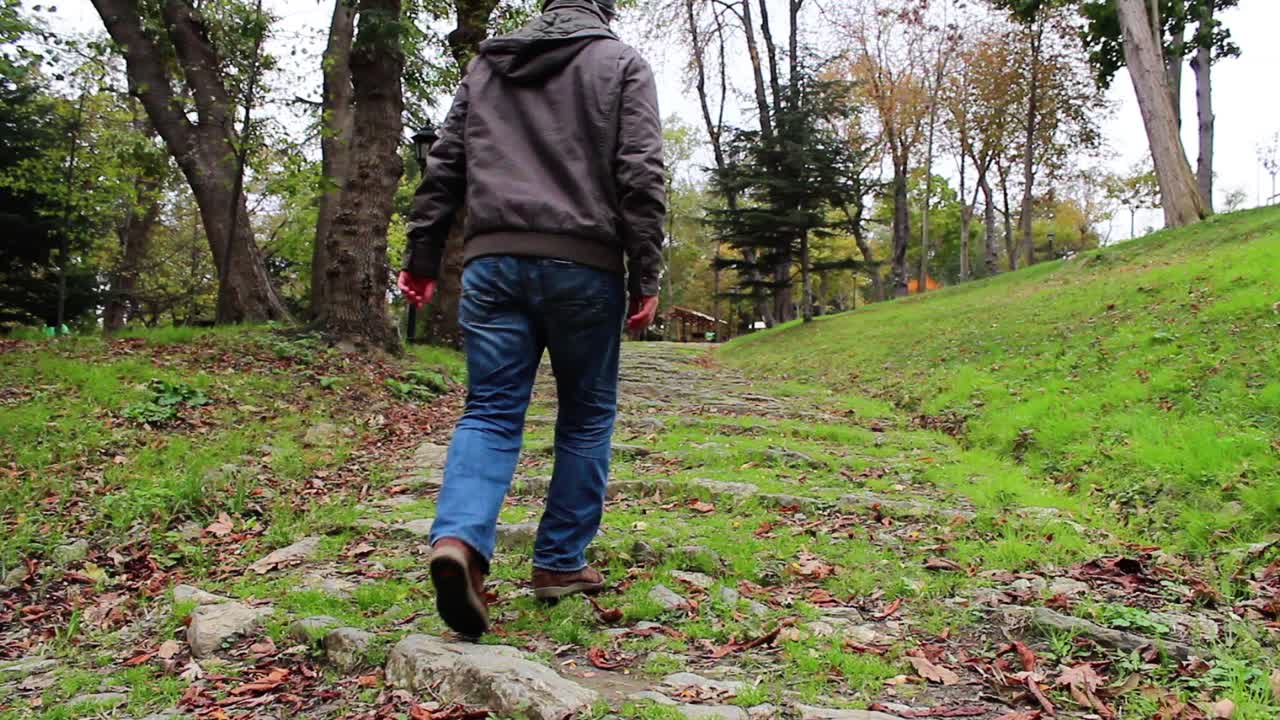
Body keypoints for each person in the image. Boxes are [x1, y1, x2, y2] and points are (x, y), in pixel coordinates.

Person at [396, 0, 665, 637]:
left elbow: (446, 164)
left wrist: (423, 254)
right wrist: (645, 271)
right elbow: (641, 172)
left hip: (493, 262)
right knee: (586, 413)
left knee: (489, 409)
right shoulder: (621, 64)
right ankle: (558, 563)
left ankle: (459, 540)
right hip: (584, 265)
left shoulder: (488, 64)